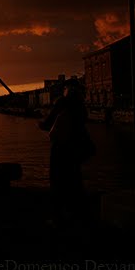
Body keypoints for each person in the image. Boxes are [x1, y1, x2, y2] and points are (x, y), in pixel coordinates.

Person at [38, 78, 93, 226]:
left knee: (57, 180)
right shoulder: (81, 107)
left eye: (65, 88)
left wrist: (40, 122)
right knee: (74, 178)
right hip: (76, 148)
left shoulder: (62, 103)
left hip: (61, 148)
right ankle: (76, 214)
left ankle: (59, 218)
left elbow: (47, 124)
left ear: (67, 89)